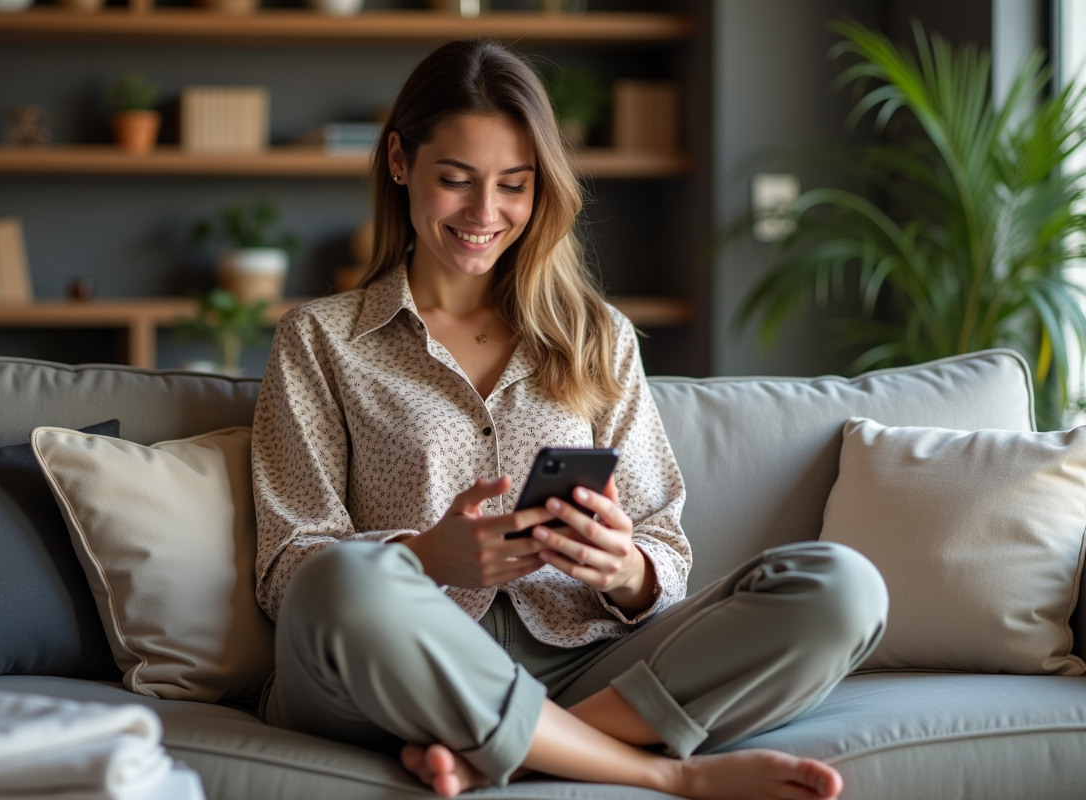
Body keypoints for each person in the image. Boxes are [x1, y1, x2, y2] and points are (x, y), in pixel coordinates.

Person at [252, 38, 888, 800]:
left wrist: (623, 571)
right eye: (455, 180)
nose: (484, 214)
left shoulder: (597, 335)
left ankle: (509, 742)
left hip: (581, 655)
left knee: (842, 587)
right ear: (399, 162)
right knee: (341, 581)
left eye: (514, 187)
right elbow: (289, 567)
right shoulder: (320, 339)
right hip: (395, 660)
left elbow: (662, 540)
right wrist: (427, 560)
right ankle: (657, 770)